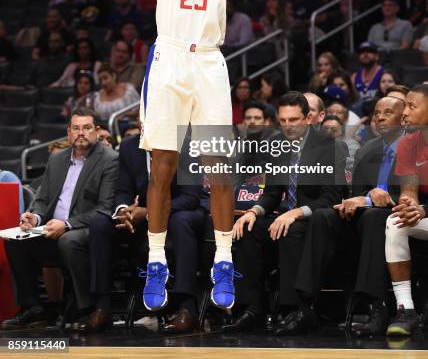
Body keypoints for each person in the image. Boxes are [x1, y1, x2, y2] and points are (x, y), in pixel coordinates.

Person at [126, 0, 249, 311]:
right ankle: (156, 260)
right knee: (164, 167)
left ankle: (222, 260)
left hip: (210, 64)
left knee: (219, 166)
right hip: (171, 60)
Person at [224, 92, 346, 333]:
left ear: (308, 118)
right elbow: (272, 193)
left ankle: (297, 309)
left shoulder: (330, 147)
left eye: (294, 120)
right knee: (248, 229)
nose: (288, 126)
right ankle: (252, 308)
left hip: (317, 220)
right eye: (283, 120)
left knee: (291, 229)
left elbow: (331, 197)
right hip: (284, 217)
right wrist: (255, 212)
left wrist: (296, 213)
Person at [292, 96, 405, 336]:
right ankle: (305, 306)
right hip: (364, 220)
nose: (381, 117)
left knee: (375, 217)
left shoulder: (415, 147)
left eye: (388, 113)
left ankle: (377, 307)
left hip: (399, 220)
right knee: (323, 216)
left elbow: (408, 195)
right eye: (377, 113)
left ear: (403, 118)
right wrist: (360, 200)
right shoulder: (368, 149)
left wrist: (372, 197)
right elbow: (356, 193)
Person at [0, 108, 118, 330]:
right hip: (51, 230)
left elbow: (104, 209)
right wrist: (34, 217)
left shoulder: (109, 160)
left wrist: (67, 224)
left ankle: (86, 309)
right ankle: (33, 309)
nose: (81, 133)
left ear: (97, 130)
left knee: (69, 240)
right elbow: (43, 199)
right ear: (69, 132)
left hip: (86, 231)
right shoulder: (57, 159)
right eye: (76, 128)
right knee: (16, 242)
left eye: (87, 128)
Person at [78, 133, 202, 332]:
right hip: (138, 215)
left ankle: (187, 308)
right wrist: (123, 210)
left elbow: (191, 197)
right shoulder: (129, 146)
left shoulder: (185, 144)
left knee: (182, 221)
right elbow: (123, 189)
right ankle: (102, 307)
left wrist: (149, 213)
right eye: (142, 121)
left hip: (175, 214)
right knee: (100, 225)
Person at [385, 84, 428, 337]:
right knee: (396, 221)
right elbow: (409, 188)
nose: (404, 113)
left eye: (412, 106)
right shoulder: (408, 143)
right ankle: (406, 309)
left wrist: (424, 209)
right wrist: (408, 204)